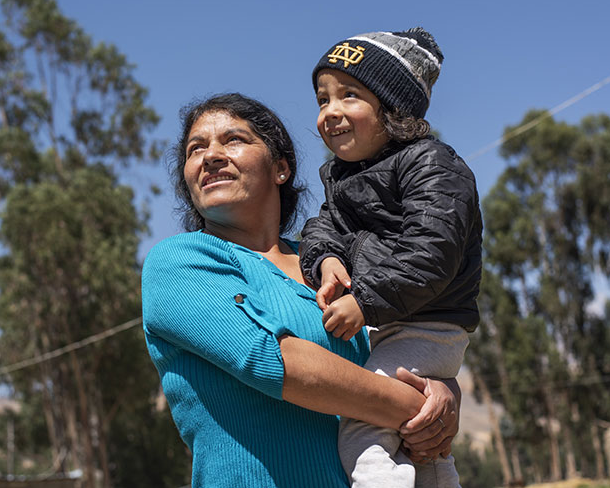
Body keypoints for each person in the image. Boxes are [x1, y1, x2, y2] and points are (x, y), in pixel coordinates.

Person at [141, 92, 461, 487]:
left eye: (234, 139)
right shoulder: (178, 262)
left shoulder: (334, 263)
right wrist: (420, 409)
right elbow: (277, 362)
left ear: (281, 168)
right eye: (196, 148)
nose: (211, 156)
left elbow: (404, 340)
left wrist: (444, 392)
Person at [299, 27, 482, 487]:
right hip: (397, 319)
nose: (330, 112)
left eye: (349, 96)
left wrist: (364, 301)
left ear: (394, 108)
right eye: (323, 99)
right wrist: (324, 260)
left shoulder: (432, 163)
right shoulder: (341, 179)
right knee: (418, 437)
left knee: (366, 419)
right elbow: (322, 228)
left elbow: (431, 253)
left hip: (428, 321)